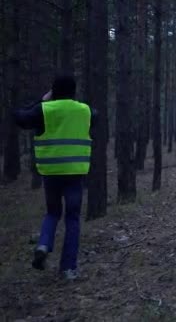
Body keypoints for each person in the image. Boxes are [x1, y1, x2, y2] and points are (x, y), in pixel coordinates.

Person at [13, 74, 95, 280]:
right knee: (73, 218)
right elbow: (97, 118)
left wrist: (42, 100)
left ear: (54, 91)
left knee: (52, 213)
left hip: (51, 173)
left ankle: (43, 245)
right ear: (74, 91)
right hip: (75, 172)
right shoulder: (85, 110)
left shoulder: (44, 110)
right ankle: (68, 269)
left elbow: (19, 117)